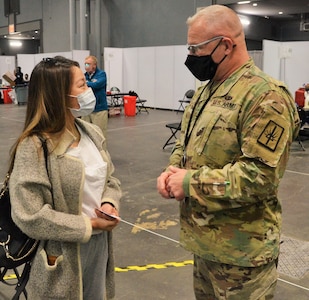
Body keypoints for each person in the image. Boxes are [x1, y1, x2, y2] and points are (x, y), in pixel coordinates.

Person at [157, 5, 300, 300]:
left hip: (243, 256)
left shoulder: (265, 96)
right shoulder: (207, 91)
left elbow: (259, 177)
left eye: (196, 49)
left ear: (225, 45)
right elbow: (185, 140)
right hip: (206, 244)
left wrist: (188, 183)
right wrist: (172, 170)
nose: (191, 57)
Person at [9, 56, 121, 300]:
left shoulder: (91, 132)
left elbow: (110, 180)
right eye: (81, 85)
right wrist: (89, 225)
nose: (88, 90)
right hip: (61, 254)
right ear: (58, 95)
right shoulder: (34, 147)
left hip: (99, 246)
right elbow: (29, 215)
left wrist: (109, 203)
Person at [82, 55, 109, 139]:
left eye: (88, 64)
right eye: (85, 64)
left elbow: (96, 85)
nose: (86, 66)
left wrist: (84, 84)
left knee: (99, 134)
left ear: (94, 65)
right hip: (87, 109)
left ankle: (101, 152)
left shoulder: (101, 74)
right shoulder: (83, 76)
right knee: (84, 134)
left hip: (99, 110)